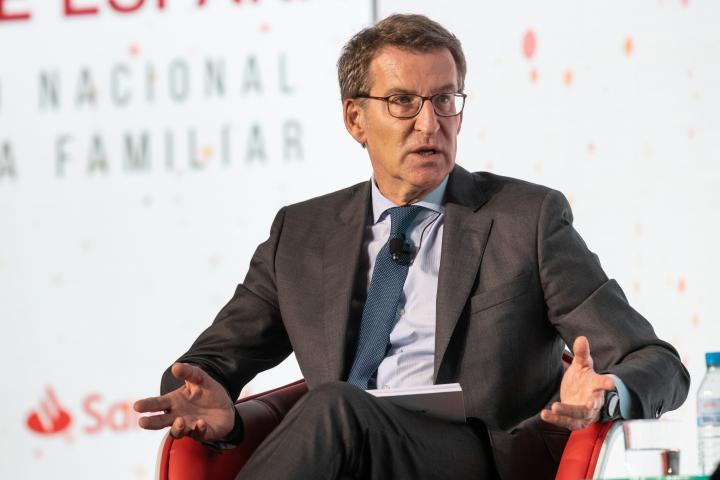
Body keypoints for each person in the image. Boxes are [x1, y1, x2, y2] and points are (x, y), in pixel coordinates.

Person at [134, 14, 689, 480]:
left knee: (335, 406)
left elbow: (657, 362)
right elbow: (207, 365)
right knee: (338, 412)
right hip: (341, 453)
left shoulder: (526, 219)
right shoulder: (300, 234)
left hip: (476, 458)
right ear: (355, 119)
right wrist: (212, 405)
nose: (429, 124)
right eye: (403, 101)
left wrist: (607, 392)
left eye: (444, 100)